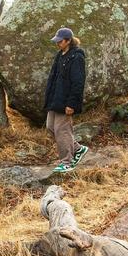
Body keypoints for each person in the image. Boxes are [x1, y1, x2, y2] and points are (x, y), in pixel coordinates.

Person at [44, 28, 88, 173]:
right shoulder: (60, 55)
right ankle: (78, 148)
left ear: (68, 40)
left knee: (62, 130)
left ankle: (67, 162)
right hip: (55, 99)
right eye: (56, 40)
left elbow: (78, 82)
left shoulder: (77, 57)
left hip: (66, 101)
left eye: (60, 41)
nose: (57, 43)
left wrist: (71, 103)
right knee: (51, 126)